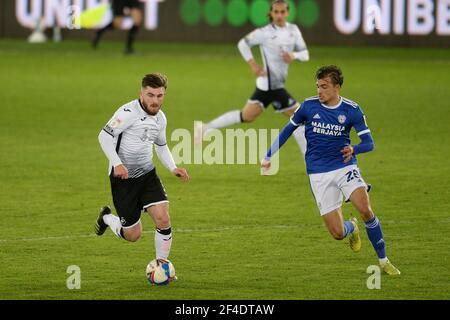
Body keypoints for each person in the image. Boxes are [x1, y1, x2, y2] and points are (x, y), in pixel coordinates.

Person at [261, 65, 400, 275]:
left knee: (365, 209)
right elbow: (287, 131)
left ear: (337, 87)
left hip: (345, 167)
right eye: (317, 86)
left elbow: (369, 143)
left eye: (324, 86)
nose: (319, 91)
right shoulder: (308, 107)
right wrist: (268, 155)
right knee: (337, 233)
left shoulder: (352, 110)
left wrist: (354, 148)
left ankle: (383, 261)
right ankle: (352, 228)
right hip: (318, 174)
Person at [95, 73, 189, 268]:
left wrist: (173, 167)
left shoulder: (160, 119)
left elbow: (161, 146)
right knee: (133, 235)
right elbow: (104, 137)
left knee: (163, 218)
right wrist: (116, 163)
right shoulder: (127, 112)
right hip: (124, 179)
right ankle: (106, 218)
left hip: (147, 175)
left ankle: (162, 266)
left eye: (159, 96)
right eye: (150, 95)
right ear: (141, 93)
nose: (155, 101)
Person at [195, 0, 309, 156]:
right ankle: (311, 159)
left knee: (247, 116)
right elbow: (243, 43)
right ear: (271, 13)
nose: (279, 15)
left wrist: (294, 55)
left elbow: (305, 54)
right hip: (271, 86)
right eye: (276, 12)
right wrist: (253, 64)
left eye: (283, 12)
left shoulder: (293, 30)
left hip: (270, 86)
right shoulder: (264, 32)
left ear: (288, 13)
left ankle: (205, 128)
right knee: (301, 117)